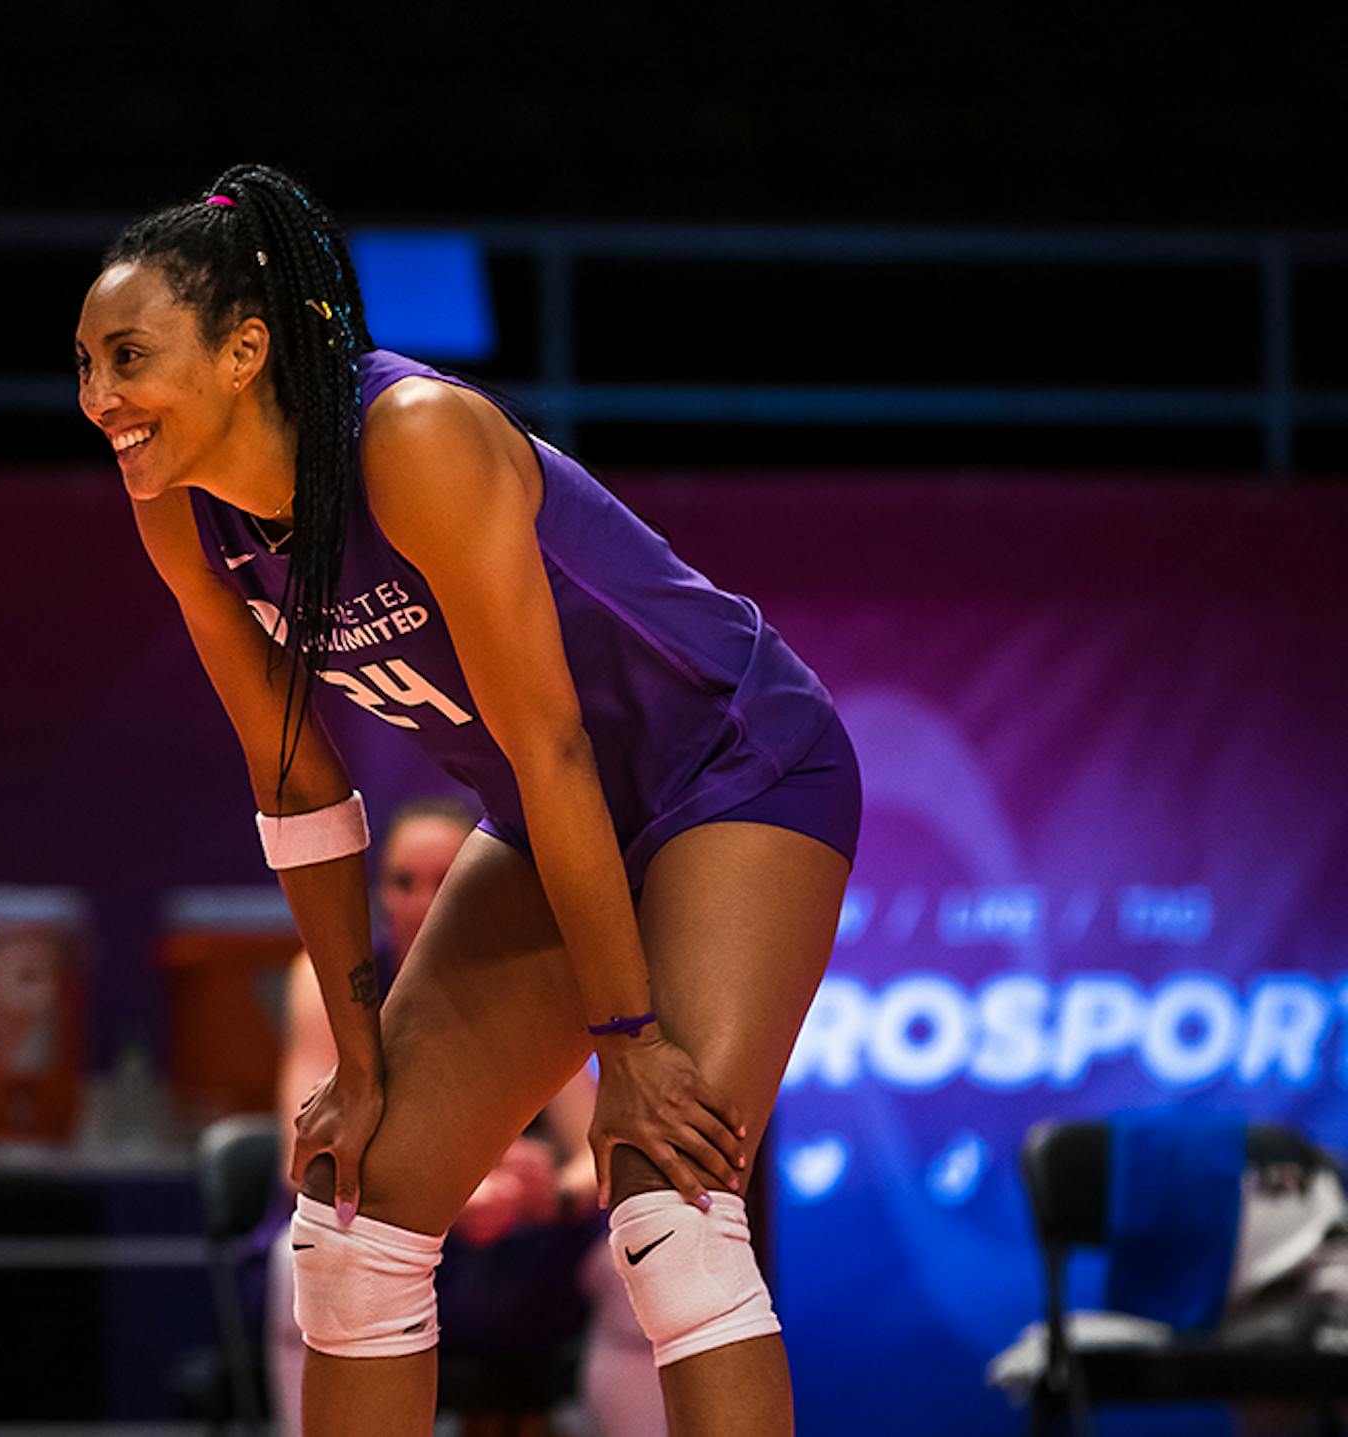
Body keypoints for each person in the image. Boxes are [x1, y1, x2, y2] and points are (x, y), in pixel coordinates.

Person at [77, 165, 862, 1437]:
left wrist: (628, 1044)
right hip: (553, 813)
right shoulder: (181, 515)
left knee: (669, 1200)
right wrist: (359, 1061)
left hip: (734, 768)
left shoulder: (415, 439)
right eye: (83, 365)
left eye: (128, 357)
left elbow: (554, 747)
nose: (98, 398)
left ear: (244, 352)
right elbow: (296, 777)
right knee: (354, 1209)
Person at [262, 797, 666, 1437]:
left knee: (650, 1253)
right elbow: (305, 1154)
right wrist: (448, 1191)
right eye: (403, 882)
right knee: (299, 1260)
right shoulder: (323, 977)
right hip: (378, 1220)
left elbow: (601, 1156)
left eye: (444, 880)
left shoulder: (530, 979)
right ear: (380, 893)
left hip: (515, 1244)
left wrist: (550, 1196)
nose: (422, 903)